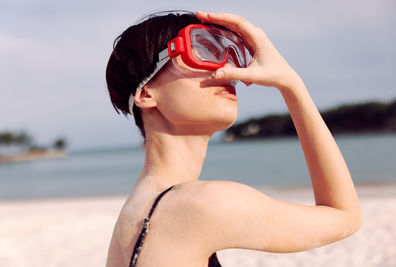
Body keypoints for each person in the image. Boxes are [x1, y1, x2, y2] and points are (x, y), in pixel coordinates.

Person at [105, 10, 362, 267]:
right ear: (146, 93)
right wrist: (291, 84)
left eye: (230, 53)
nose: (226, 68)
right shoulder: (199, 205)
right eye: (201, 51)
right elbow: (344, 216)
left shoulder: (134, 213)